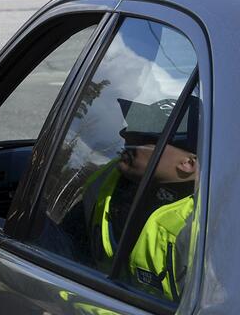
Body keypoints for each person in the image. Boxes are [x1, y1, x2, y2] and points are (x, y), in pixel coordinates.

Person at [85, 98, 198, 302]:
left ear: (188, 163)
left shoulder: (205, 224)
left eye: (144, 138)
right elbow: (67, 246)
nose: (126, 138)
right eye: (130, 130)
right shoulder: (103, 179)